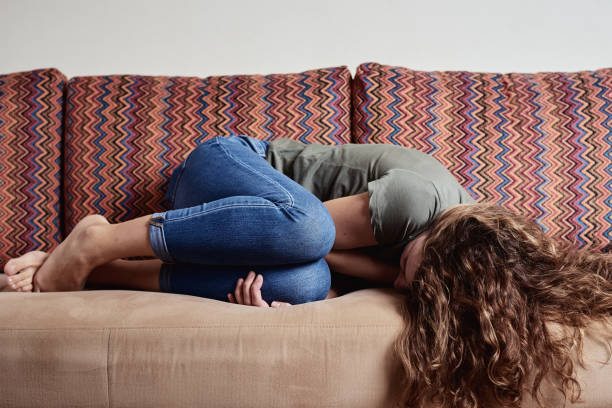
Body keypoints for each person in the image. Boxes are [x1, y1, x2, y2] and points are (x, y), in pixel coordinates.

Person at [4, 135, 611, 407]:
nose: (401, 284)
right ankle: (99, 241)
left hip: (248, 236)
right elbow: (296, 230)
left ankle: (95, 273)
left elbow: (305, 267)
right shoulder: (419, 201)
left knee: (303, 286)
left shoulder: (430, 253)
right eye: (413, 273)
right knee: (309, 236)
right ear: (450, 244)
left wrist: (264, 299)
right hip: (224, 172)